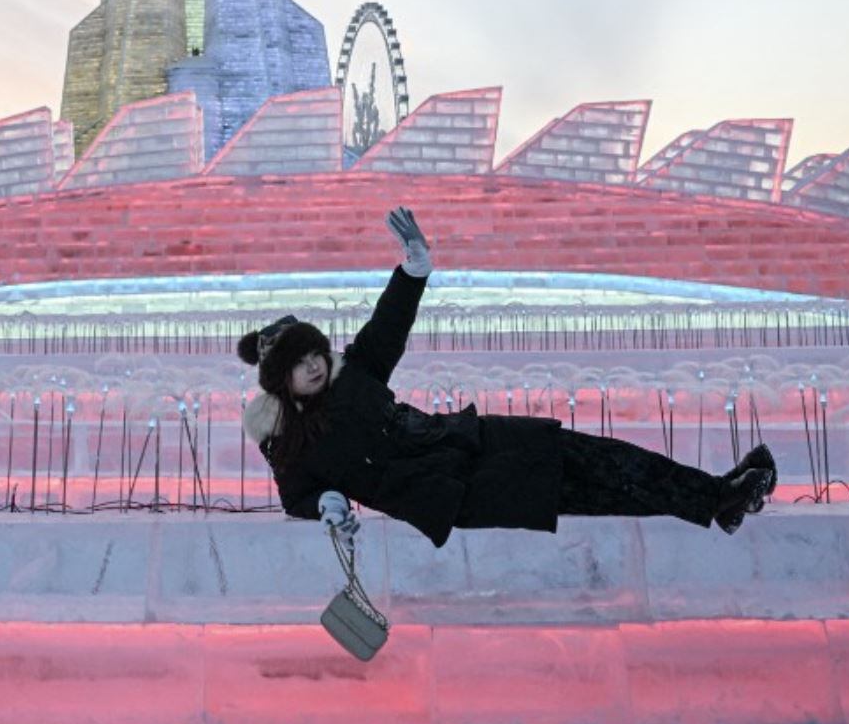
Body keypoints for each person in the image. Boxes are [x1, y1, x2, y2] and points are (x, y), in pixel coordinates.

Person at [240, 207, 776, 548]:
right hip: (453, 490)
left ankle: (718, 496)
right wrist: (326, 504)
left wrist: (412, 270)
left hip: (467, 440)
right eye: (298, 363)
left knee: (601, 456)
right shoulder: (289, 443)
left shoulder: (353, 376)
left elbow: (388, 326)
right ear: (280, 381)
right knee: (591, 493)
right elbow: (296, 496)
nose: (313, 365)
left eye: (314, 353)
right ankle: (717, 504)